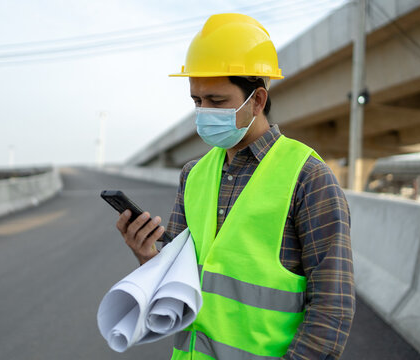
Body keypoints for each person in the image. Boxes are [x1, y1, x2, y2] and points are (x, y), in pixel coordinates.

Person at [115, 13, 355, 360]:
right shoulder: (194, 174)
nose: (203, 112)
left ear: (257, 100)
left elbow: (333, 309)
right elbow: (176, 288)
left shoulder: (308, 178)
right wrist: (147, 257)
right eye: (196, 101)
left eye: (216, 101)